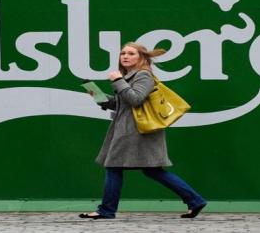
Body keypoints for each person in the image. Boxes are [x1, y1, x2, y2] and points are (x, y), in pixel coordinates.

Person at [79, 42, 207, 220]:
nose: (125, 56)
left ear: (141, 58)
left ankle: (106, 211)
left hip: (137, 131)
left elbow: (136, 99)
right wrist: (97, 95)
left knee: (114, 167)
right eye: (123, 53)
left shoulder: (143, 76)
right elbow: (121, 104)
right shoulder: (130, 77)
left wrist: (117, 81)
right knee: (152, 170)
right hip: (131, 130)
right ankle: (195, 200)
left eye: (131, 53)